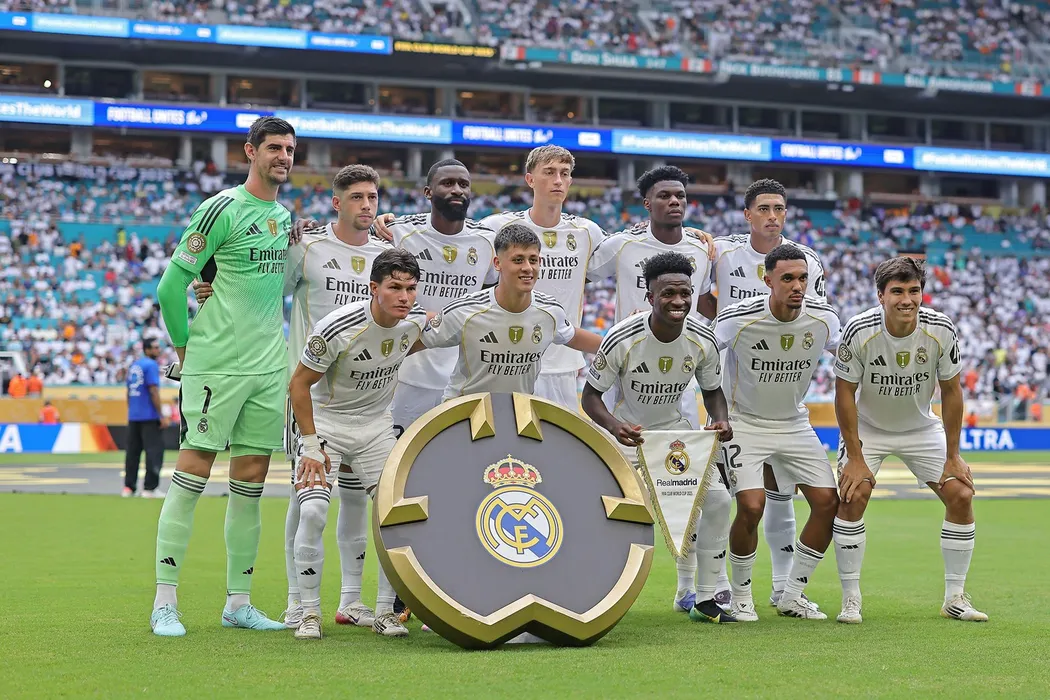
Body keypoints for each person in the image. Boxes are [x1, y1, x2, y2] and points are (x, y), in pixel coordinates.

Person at [193, 164, 391, 631]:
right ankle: (296, 602)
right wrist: (211, 289)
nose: (367, 205)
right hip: (309, 396)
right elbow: (261, 289)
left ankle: (351, 602)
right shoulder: (307, 246)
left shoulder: (387, 253)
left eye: (372, 197)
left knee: (359, 499)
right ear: (336, 202)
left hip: (364, 401)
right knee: (308, 500)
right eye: (357, 197)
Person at [149, 116, 296, 637]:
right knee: (191, 476)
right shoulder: (221, 208)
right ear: (250, 151)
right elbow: (170, 288)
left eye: (289, 149)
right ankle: (164, 602)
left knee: (251, 483)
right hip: (217, 365)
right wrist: (186, 352)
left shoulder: (283, 217)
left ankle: (238, 603)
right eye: (273, 147)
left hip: (269, 367)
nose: (283, 156)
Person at [586, 166, 727, 614]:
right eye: (664, 195)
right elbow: (590, 397)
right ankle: (595, 592)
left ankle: (703, 592)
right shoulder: (623, 254)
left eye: (680, 195)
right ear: (649, 295)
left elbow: (713, 388)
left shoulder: (702, 328)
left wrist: (720, 418)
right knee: (619, 510)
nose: (679, 300)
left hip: (675, 423)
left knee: (713, 501)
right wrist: (615, 425)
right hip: (626, 421)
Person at [832, 256, 986, 623]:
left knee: (961, 494)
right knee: (853, 496)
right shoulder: (859, 329)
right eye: (897, 292)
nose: (907, 300)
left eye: (914, 291)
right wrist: (855, 456)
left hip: (920, 428)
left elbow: (952, 391)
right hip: (869, 428)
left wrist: (953, 455)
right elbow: (843, 393)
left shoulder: (940, 328)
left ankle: (955, 598)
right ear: (880, 296)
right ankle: (851, 599)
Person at [697, 178, 827, 609]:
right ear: (748, 214)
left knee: (782, 496)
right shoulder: (721, 251)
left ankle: (784, 589)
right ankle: (722, 588)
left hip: (785, 397)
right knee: (737, 500)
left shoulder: (808, 261)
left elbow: (817, 321)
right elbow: (700, 299)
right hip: (738, 396)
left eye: (780, 208)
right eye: (764, 208)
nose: (773, 216)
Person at [287, 248, 429, 640]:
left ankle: (384, 612)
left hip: (376, 427)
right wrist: (311, 445)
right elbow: (298, 385)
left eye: (411, 288)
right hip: (326, 423)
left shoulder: (415, 323)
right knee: (313, 511)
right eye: (395, 287)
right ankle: (308, 612)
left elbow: (445, 327)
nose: (404, 296)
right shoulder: (337, 327)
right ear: (373, 288)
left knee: (395, 514)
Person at [712, 244, 841, 622]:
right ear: (768, 281)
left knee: (828, 504)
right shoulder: (737, 318)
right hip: (745, 423)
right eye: (787, 279)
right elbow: (703, 354)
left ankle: (792, 594)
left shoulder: (824, 319)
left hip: (794, 423)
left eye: (802, 278)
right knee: (752, 506)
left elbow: (855, 357)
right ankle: (741, 597)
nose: (797, 286)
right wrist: (716, 414)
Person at [478, 146, 607, 411]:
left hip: (562, 365)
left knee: (559, 437)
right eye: (549, 172)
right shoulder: (497, 227)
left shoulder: (587, 231)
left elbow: (630, 246)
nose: (558, 180)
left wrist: (692, 234)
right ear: (530, 179)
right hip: (506, 361)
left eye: (564, 173)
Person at [413, 224, 602, 396]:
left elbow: (573, 336)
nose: (528, 268)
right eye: (518, 260)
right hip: (464, 413)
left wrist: (616, 348)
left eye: (533, 260)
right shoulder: (466, 311)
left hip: (518, 414)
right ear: (497, 263)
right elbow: (414, 343)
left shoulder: (550, 312)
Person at [124, 338, 168, 498]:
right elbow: (153, 391)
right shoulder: (151, 365)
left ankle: (129, 488)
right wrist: (161, 415)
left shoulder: (134, 365)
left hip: (134, 416)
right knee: (154, 452)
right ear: (147, 349)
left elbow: (128, 392)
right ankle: (149, 488)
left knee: (132, 453)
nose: (158, 350)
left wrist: (132, 410)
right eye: (155, 347)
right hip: (149, 415)